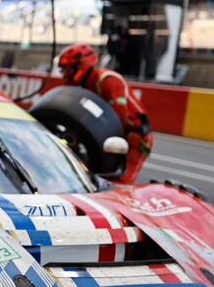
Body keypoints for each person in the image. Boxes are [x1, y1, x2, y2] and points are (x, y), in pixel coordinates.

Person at [57, 43, 152, 184]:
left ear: (80, 65)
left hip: (134, 136)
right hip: (108, 136)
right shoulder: (82, 86)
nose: (65, 75)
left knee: (119, 181)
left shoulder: (109, 80)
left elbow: (120, 116)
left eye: (67, 70)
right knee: (96, 178)